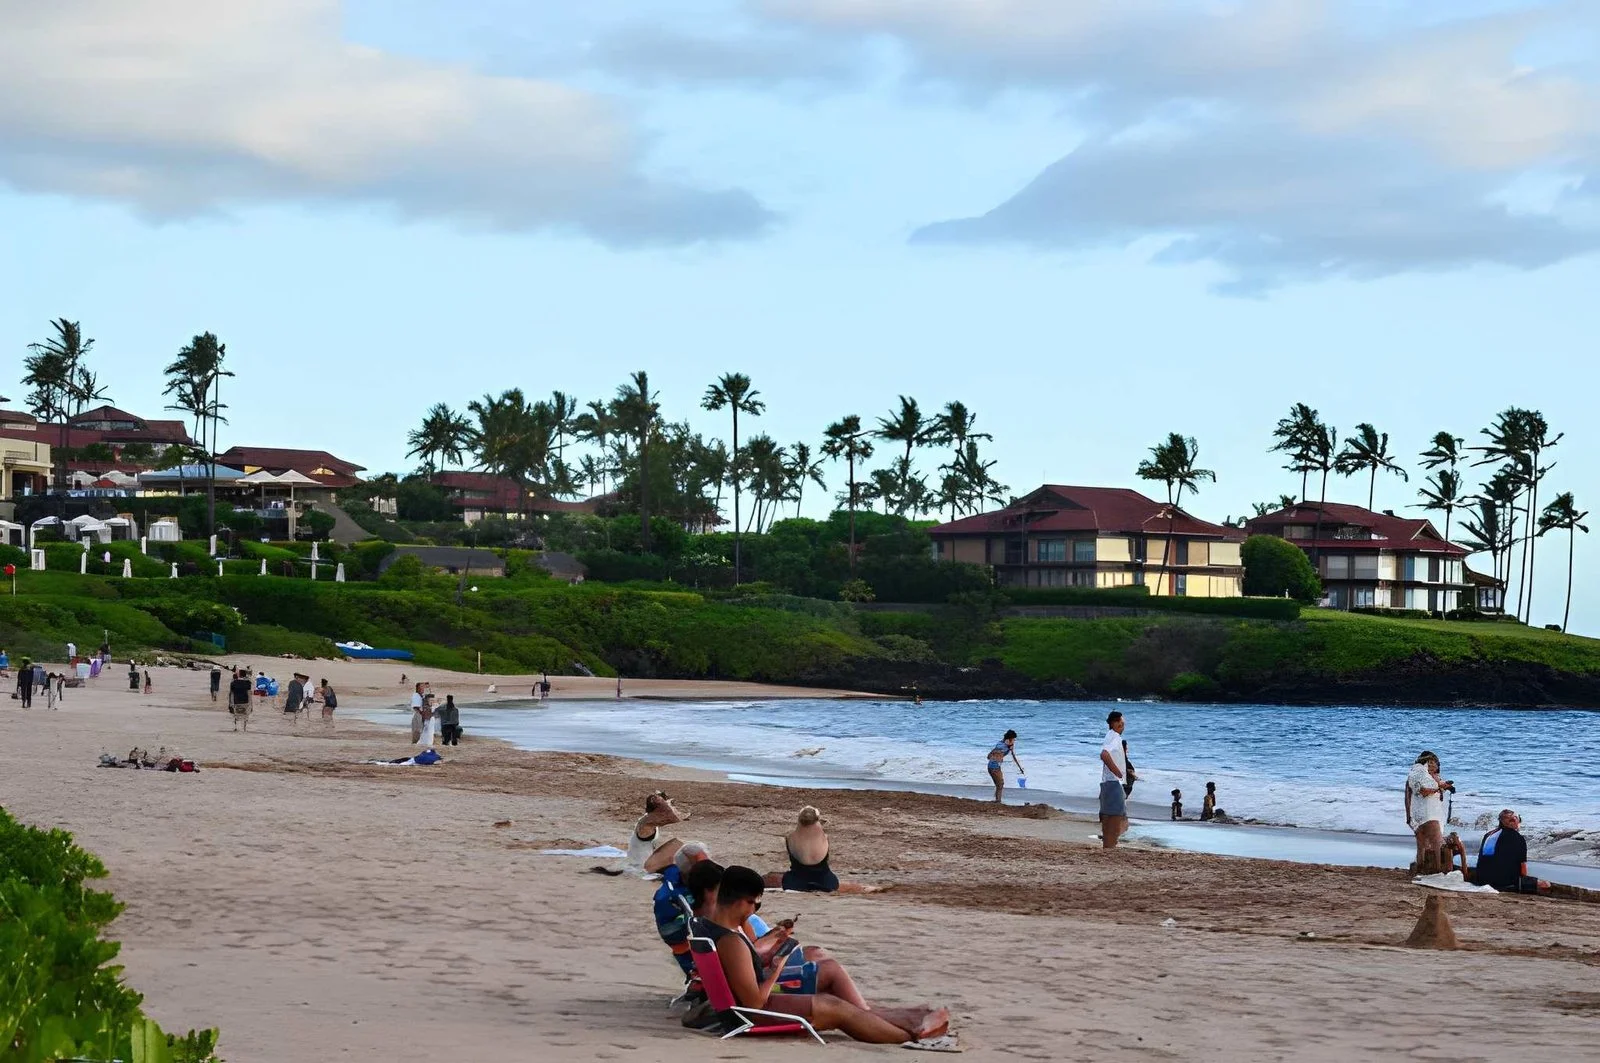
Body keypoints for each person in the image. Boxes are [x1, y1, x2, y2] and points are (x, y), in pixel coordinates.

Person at [703, 866, 949, 1044]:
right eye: (754, 904)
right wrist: (777, 967)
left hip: (736, 1009)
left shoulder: (712, 928)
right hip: (753, 1015)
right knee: (836, 1008)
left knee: (833, 997)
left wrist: (769, 958)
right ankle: (912, 1037)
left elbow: (741, 978)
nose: (753, 910)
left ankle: (906, 1022)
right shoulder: (731, 942)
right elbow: (755, 1003)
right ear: (740, 902)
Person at [1470, 810, 1551, 894]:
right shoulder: (1518, 838)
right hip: (1504, 882)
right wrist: (1524, 880)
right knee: (1546, 884)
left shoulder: (1488, 835)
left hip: (1482, 879)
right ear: (1515, 820)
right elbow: (1522, 866)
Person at [1404, 751, 1453, 874]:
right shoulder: (1421, 776)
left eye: (1434, 764)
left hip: (1424, 813)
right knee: (1436, 844)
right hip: (1428, 813)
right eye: (1430, 763)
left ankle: (1421, 870)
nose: (1433, 766)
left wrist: (1409, 817)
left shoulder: (1423, 776)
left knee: (1422, 845)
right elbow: (1423, 792)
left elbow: (1409, 797)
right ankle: (1437, 871)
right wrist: (1440, 788)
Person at [781, 806, 840, 893]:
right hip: (826, 883)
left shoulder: (789, 837)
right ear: (817, 820)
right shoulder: (825, 837)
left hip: (794, 883)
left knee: (788, 877)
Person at [629, 792, 688, 874]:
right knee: (679, 845)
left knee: (678, 844)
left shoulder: (648, 818)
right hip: (641, 866)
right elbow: (675, 818)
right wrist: (666, 803)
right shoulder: (648, 821)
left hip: (640, 862)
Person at [1099, 711, 1128, 849]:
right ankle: (1110, 845)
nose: (1121, 725)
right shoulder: (1115, 737)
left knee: (1111, 814)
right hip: (1113, 781)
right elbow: (1104, 754)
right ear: (1112, 723)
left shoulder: (1110, 736)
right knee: (1116, 814)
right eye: (1118, 722)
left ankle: (1109, 844)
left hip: (1109, 781)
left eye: (1122, 723)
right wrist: (1117, 772)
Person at [986, 729, 1024, 802]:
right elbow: (993, 756)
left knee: (999, 784)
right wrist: (1006, 749)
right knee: (1000, 784)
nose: (1014, 741)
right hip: (993, 767)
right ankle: (998, 801)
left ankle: (997, 800)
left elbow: (1013, 756)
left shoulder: (1005, 744)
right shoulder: (1001, 746)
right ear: (1008, 739)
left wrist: (1019, 767)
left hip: (996, 767)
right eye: (1013, 739)